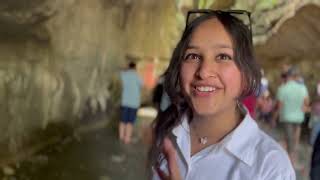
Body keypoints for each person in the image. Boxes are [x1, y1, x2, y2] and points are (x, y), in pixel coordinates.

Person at [148, 10, 295, 180]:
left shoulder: (270, 168)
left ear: (246, 75)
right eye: (193, 56)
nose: (203, 72)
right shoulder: (167, 135)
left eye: (223, 56)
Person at [276, 66, 309, 168]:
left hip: (286, 117)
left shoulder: (282, 88)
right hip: (299, 117)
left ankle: (290, 162)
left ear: (288, 76)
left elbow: (279, 105)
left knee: (289, 139)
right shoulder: (303, 88)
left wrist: (275, 117)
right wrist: (303, 107)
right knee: (295, 139)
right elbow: (306, 102)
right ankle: (293, 159)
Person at [119, 61, 142, 144]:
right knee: (130, 122)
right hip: (134, 103)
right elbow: (141, 85)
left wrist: (125, 69)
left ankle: (121, 136)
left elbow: (120, 72)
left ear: (128, 66)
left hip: (125, 101)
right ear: (135, 67)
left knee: (122, 120)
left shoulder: (124, 75)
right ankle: (127, 138)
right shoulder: (137, 76)